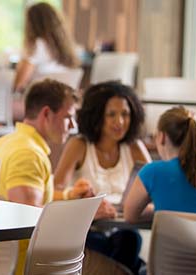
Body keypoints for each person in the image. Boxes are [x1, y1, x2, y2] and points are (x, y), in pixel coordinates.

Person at [0, 79, 86, 275]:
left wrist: (69, 196)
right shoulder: (28, 154)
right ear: (47, 114)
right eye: (68, 117)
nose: (73, 125)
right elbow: (32, 221)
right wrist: (84, 216)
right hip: (25, 267)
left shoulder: (6, 142)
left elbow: (30, 199)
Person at [52, 81, 149, 274]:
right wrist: (87, 204)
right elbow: (56, 191)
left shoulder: (134, 147)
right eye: (111, 114)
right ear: (97, 116)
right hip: (85, 231)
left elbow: (154, 189)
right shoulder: (79, 145)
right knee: (117, 252)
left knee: (131, 239)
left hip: (121, 228)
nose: (120, 122)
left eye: (125, 114)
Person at [123, 106, 196, 223]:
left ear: (162, 137)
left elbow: (130, 216)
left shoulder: (152, 172)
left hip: (173, 241)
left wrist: (161, 211)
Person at [12, 2, 79, 93]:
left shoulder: (36, 46)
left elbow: (18, 85)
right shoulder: (66, 46)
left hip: (39, 102)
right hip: (62, 103)